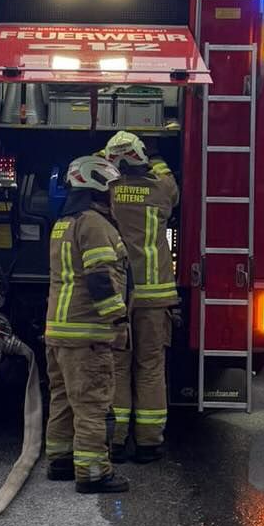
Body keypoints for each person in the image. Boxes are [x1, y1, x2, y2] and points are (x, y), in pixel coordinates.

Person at [45, 154, 131, 495]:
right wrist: (118, 318)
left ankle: (61, 460)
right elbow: (99, 279)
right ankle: (93, 472)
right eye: (110, 186)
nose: (113, 194)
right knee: (93, 404)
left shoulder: (63, 223)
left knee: (63, 399)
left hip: (59, 332)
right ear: (97, 185)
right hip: (88, 333)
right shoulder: (95, 224)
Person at [103, 130, 179, 464]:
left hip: (118, 295)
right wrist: (158, 154)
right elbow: (172, 186)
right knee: (150, 367)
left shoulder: (108, 192)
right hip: (154, 295)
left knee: (117, 366)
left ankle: (116, 441)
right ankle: (149, 443)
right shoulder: (161, 190)